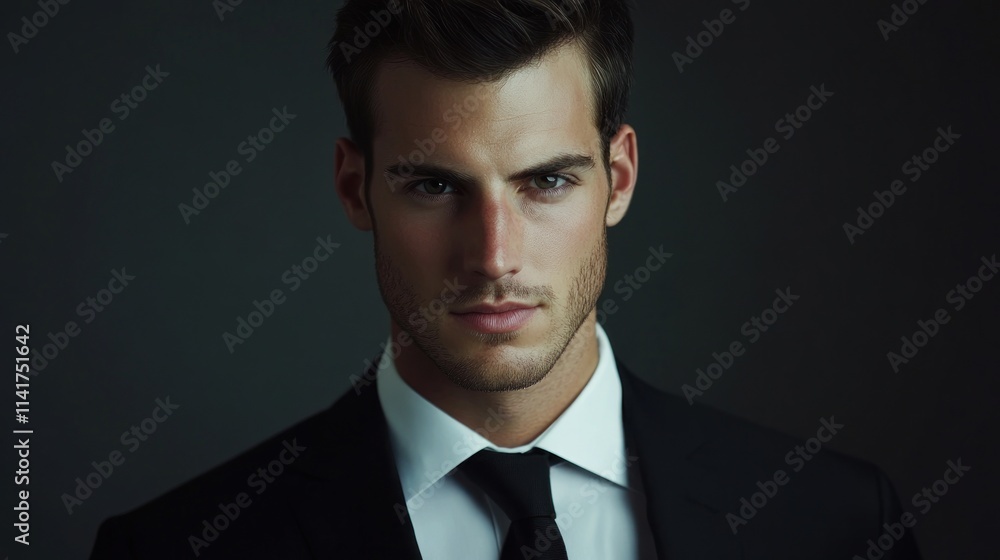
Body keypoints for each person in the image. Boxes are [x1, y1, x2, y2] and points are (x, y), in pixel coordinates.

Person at [90, 1, 922, 558]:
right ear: (355, 189)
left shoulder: (835, 523)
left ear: (619, 179)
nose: (493, 256)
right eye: (433, 185)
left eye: (547, 181)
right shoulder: (178, 547)